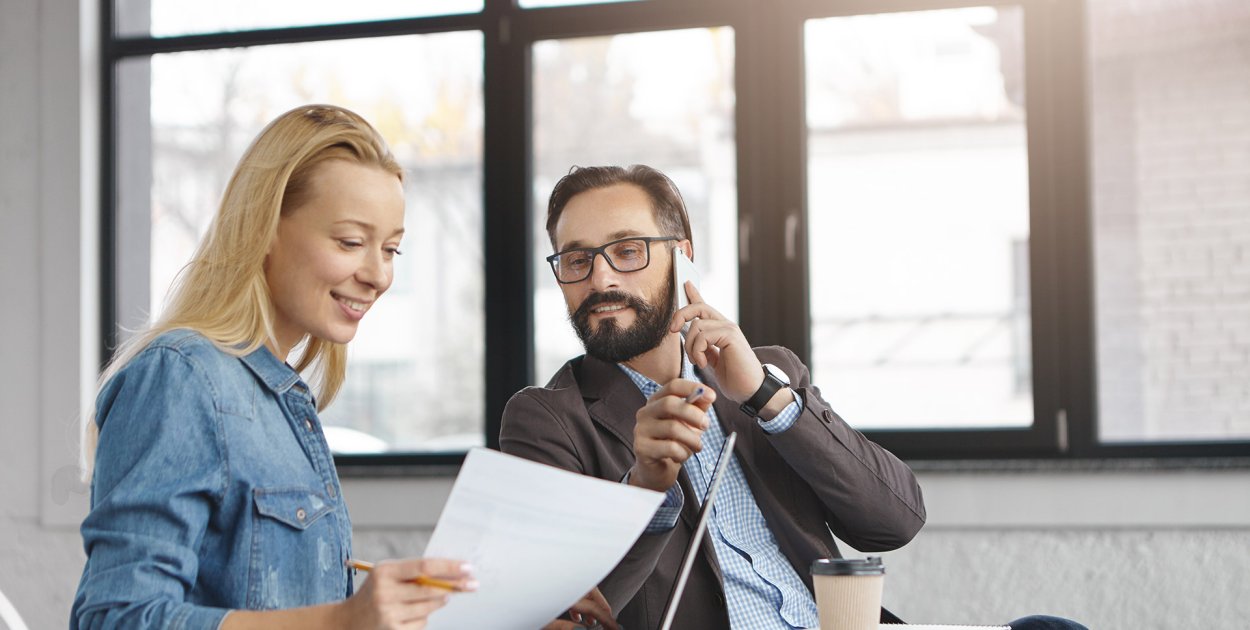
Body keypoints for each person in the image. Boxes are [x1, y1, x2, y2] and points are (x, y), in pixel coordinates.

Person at [71, 104, 616, 630]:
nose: (377, 275)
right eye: (351, 242)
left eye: (391, 250)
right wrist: (343, 621)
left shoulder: (283, 399)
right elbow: (114, 618)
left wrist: (496, 615)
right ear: (264, 229)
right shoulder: (180, 378)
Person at [501, 164, 1088, 630]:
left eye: (628, 251)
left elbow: (895, 522)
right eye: (577, 259)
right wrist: (646, 486)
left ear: (681, 252)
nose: (601, 279)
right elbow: (569, 617)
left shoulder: (769, 372)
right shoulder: (549, 419)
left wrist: (765, 398)